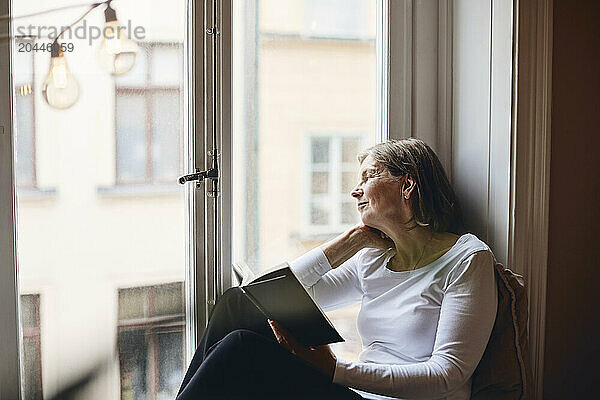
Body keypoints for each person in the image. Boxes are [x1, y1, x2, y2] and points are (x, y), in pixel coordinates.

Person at [175, 138, 498, 400]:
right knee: (236, 303)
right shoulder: (372, 259)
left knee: (242, 347)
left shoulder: (466, 258)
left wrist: (335, 370)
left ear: (408, 184)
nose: (355, 191)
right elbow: (261, 295)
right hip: (353, 392)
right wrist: (350, 241)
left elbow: (447, 374)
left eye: (369, 176)